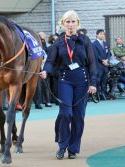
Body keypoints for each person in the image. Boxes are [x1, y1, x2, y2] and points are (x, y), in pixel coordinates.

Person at [39, 10, 97, 159]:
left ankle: (73, 148)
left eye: (73, 22)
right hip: (65, 80)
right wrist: (46, 71)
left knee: (78, 117)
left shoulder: (85, 40)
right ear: (63, 24)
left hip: (83, 82)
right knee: (65, 113)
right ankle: (62, 145)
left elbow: (92, 63)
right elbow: (51, 61)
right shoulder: (59, 41)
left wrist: (93, 83)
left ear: (77, 23)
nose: (70, 25)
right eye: (67, 22)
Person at [93, 29, 112, 100]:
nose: (102, 35)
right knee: (98, 80)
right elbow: (95, 54)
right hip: (98, 65)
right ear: (97, 35)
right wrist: (102, 60)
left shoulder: (106, 43)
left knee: (104, 80)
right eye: (100, 34)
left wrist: (107, 60)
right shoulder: (94, 44)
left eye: (103, 34)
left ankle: (103, 94)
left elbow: (109, 53)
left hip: (105, 65)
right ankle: (97, 94)